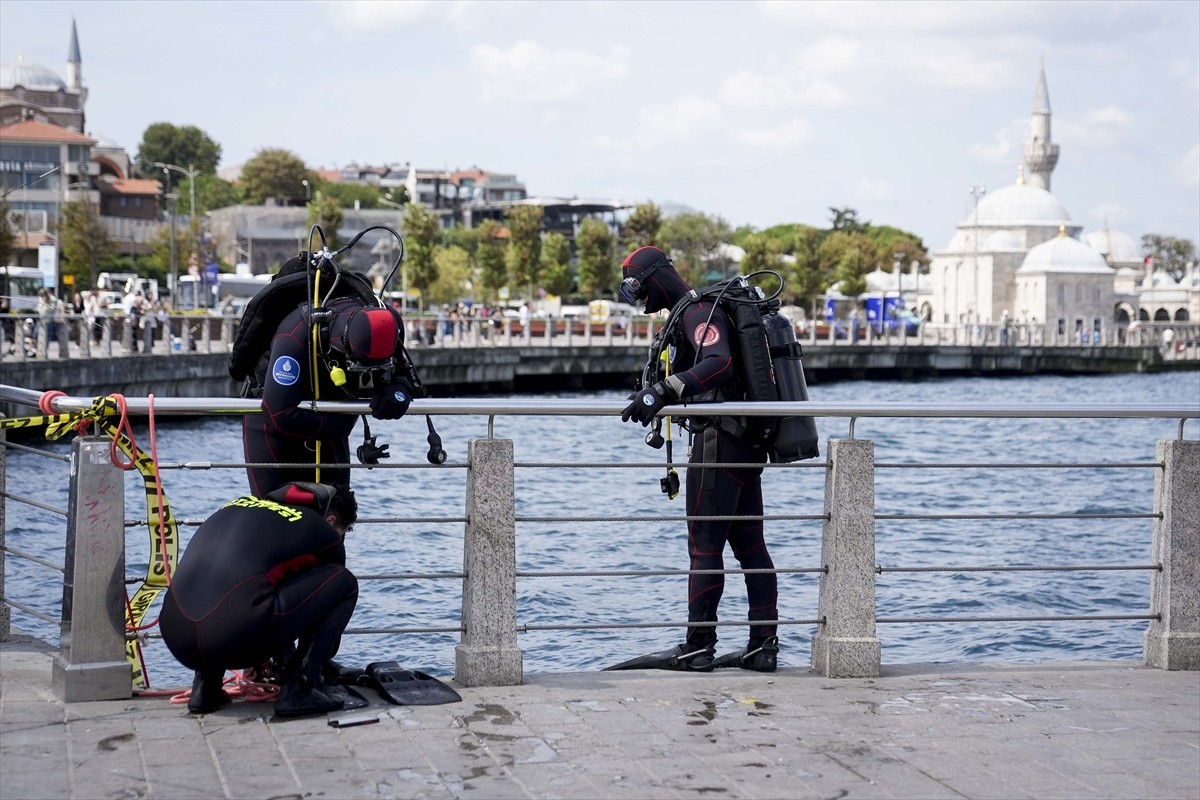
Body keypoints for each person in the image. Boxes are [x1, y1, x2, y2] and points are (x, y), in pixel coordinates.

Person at [615, 246, 779, 673]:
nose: (640, 298)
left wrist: (663, 391)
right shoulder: (699, 309)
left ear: (655, 277)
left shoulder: (696, 311)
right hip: (743, 441)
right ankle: (763, 646)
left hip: (719, 441)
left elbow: (719, 362)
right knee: (751, 546)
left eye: (637, 286)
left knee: (704, 548)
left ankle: (697, 646)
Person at [160, 482, 358, 716]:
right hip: (233, 636)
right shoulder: (319, 528)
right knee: (344, 583)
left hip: (177, 637)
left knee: (225, 584)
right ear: (331, 520)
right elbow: (321, 599)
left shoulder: (236, 506)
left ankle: (205, 690)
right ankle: (300, 689)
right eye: (342, 533)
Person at [240, 256, 416, 498]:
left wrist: (397, 392)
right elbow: (279, 414)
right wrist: (344, 423)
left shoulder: (388, 320)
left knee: (336, 518)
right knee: (275, 515)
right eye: (360, 364)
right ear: (345, 345)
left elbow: (406, 376)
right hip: (273, 430)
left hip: (331, 425)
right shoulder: (297, 331)